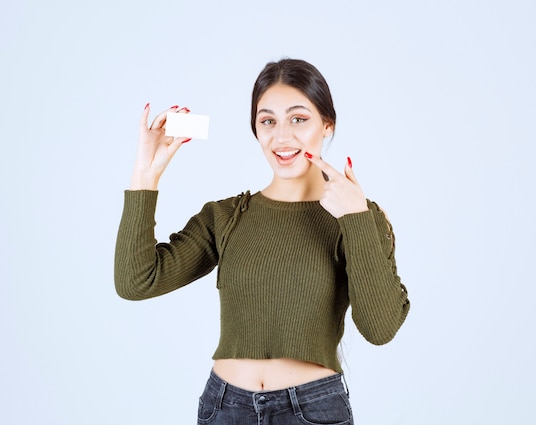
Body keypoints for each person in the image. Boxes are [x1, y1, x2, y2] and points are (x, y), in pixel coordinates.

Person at [115, 58, 410, 425]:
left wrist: (356, 219)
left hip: (313, 412)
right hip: (223, 408)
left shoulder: (357, 219)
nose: (282, 137)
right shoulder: (226, 217)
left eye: (299, 119)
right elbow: (136, 281)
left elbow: (380, 329)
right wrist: (146, 172)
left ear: (327, 125)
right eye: (268, 121)